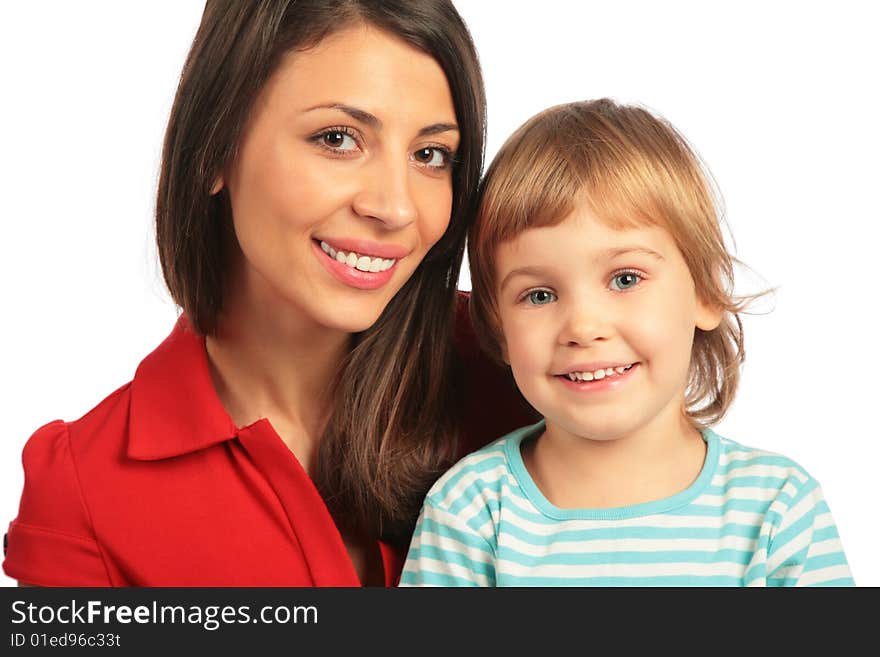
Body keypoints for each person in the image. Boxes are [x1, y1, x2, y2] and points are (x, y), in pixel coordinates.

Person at [1, 0, 536, 587]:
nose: (395, 207)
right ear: (215, 147)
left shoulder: (533, 372)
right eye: (338, 138)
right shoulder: (84, 492)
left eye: (430, 155)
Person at [400, 99, 854, 586]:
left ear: (704, 290)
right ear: (497, 329)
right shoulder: (470, 513)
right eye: (539, 294)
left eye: (625, 279)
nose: (582, 326)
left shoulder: (777, 509)